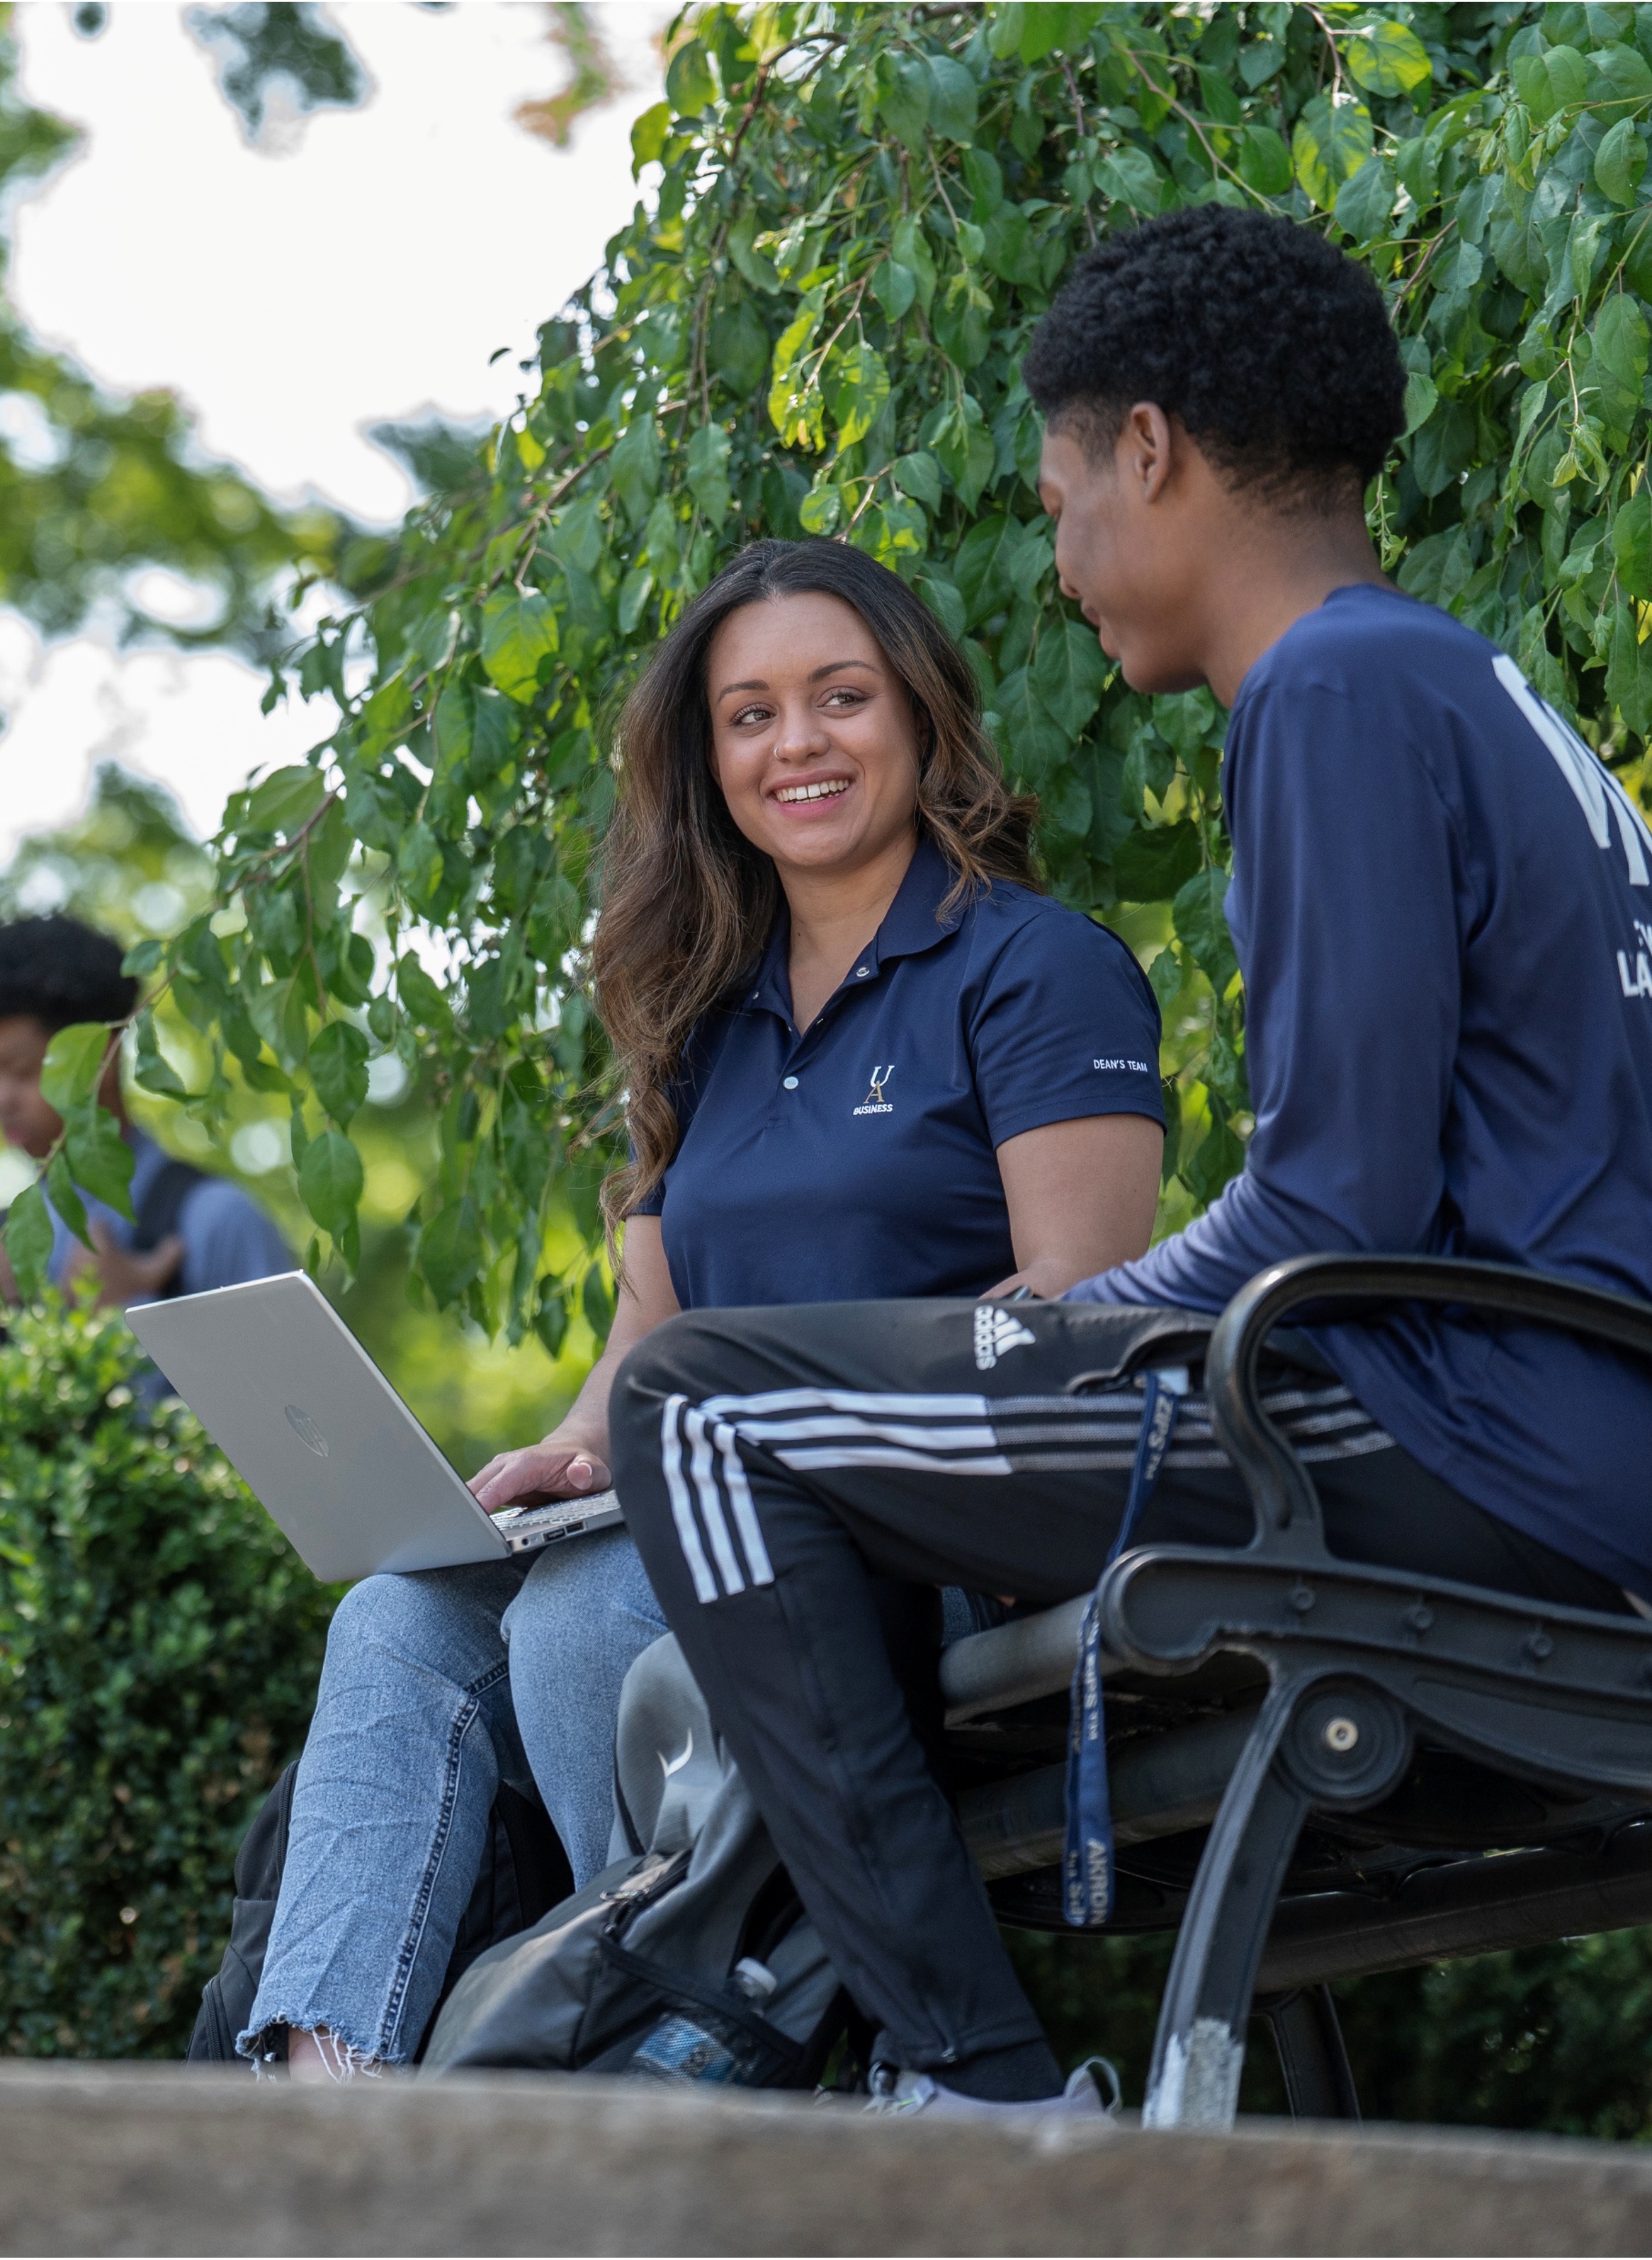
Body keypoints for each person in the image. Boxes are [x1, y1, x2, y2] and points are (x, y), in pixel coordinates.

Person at [609, 207, 1652, 2118]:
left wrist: (1063, 1319)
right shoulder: (1449, 681)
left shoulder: (1331, 693)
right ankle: (830, 2027)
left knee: (703, 1409)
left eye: (1059, 501)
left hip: (1485, 1445)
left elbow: (1332, 1206)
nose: (1060, 564)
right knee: (797, 1410)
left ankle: (962, 2079)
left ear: (1147, 452)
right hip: (1572, 1430)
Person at [242, 536, 1170, 2077]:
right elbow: (648, 1342)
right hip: (692, 1507)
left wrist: (789, 1418)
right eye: (748, 714)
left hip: (913, 1527)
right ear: (706, 758)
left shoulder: (1032, 969)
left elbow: (1069, 1311)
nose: (793, 742)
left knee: (582, 1608)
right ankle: (323, 2098)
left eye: (837, 696)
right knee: (399, 1618)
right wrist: (567, 1450)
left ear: (920, 715)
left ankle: (670, 2038)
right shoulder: (702, 1018)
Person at [0, 913, 293, 1416]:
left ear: (102, 1059)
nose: (0, 1100)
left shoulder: (216, 1227)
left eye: (21, 1072)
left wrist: (127, 1320)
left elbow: (294, 1442)